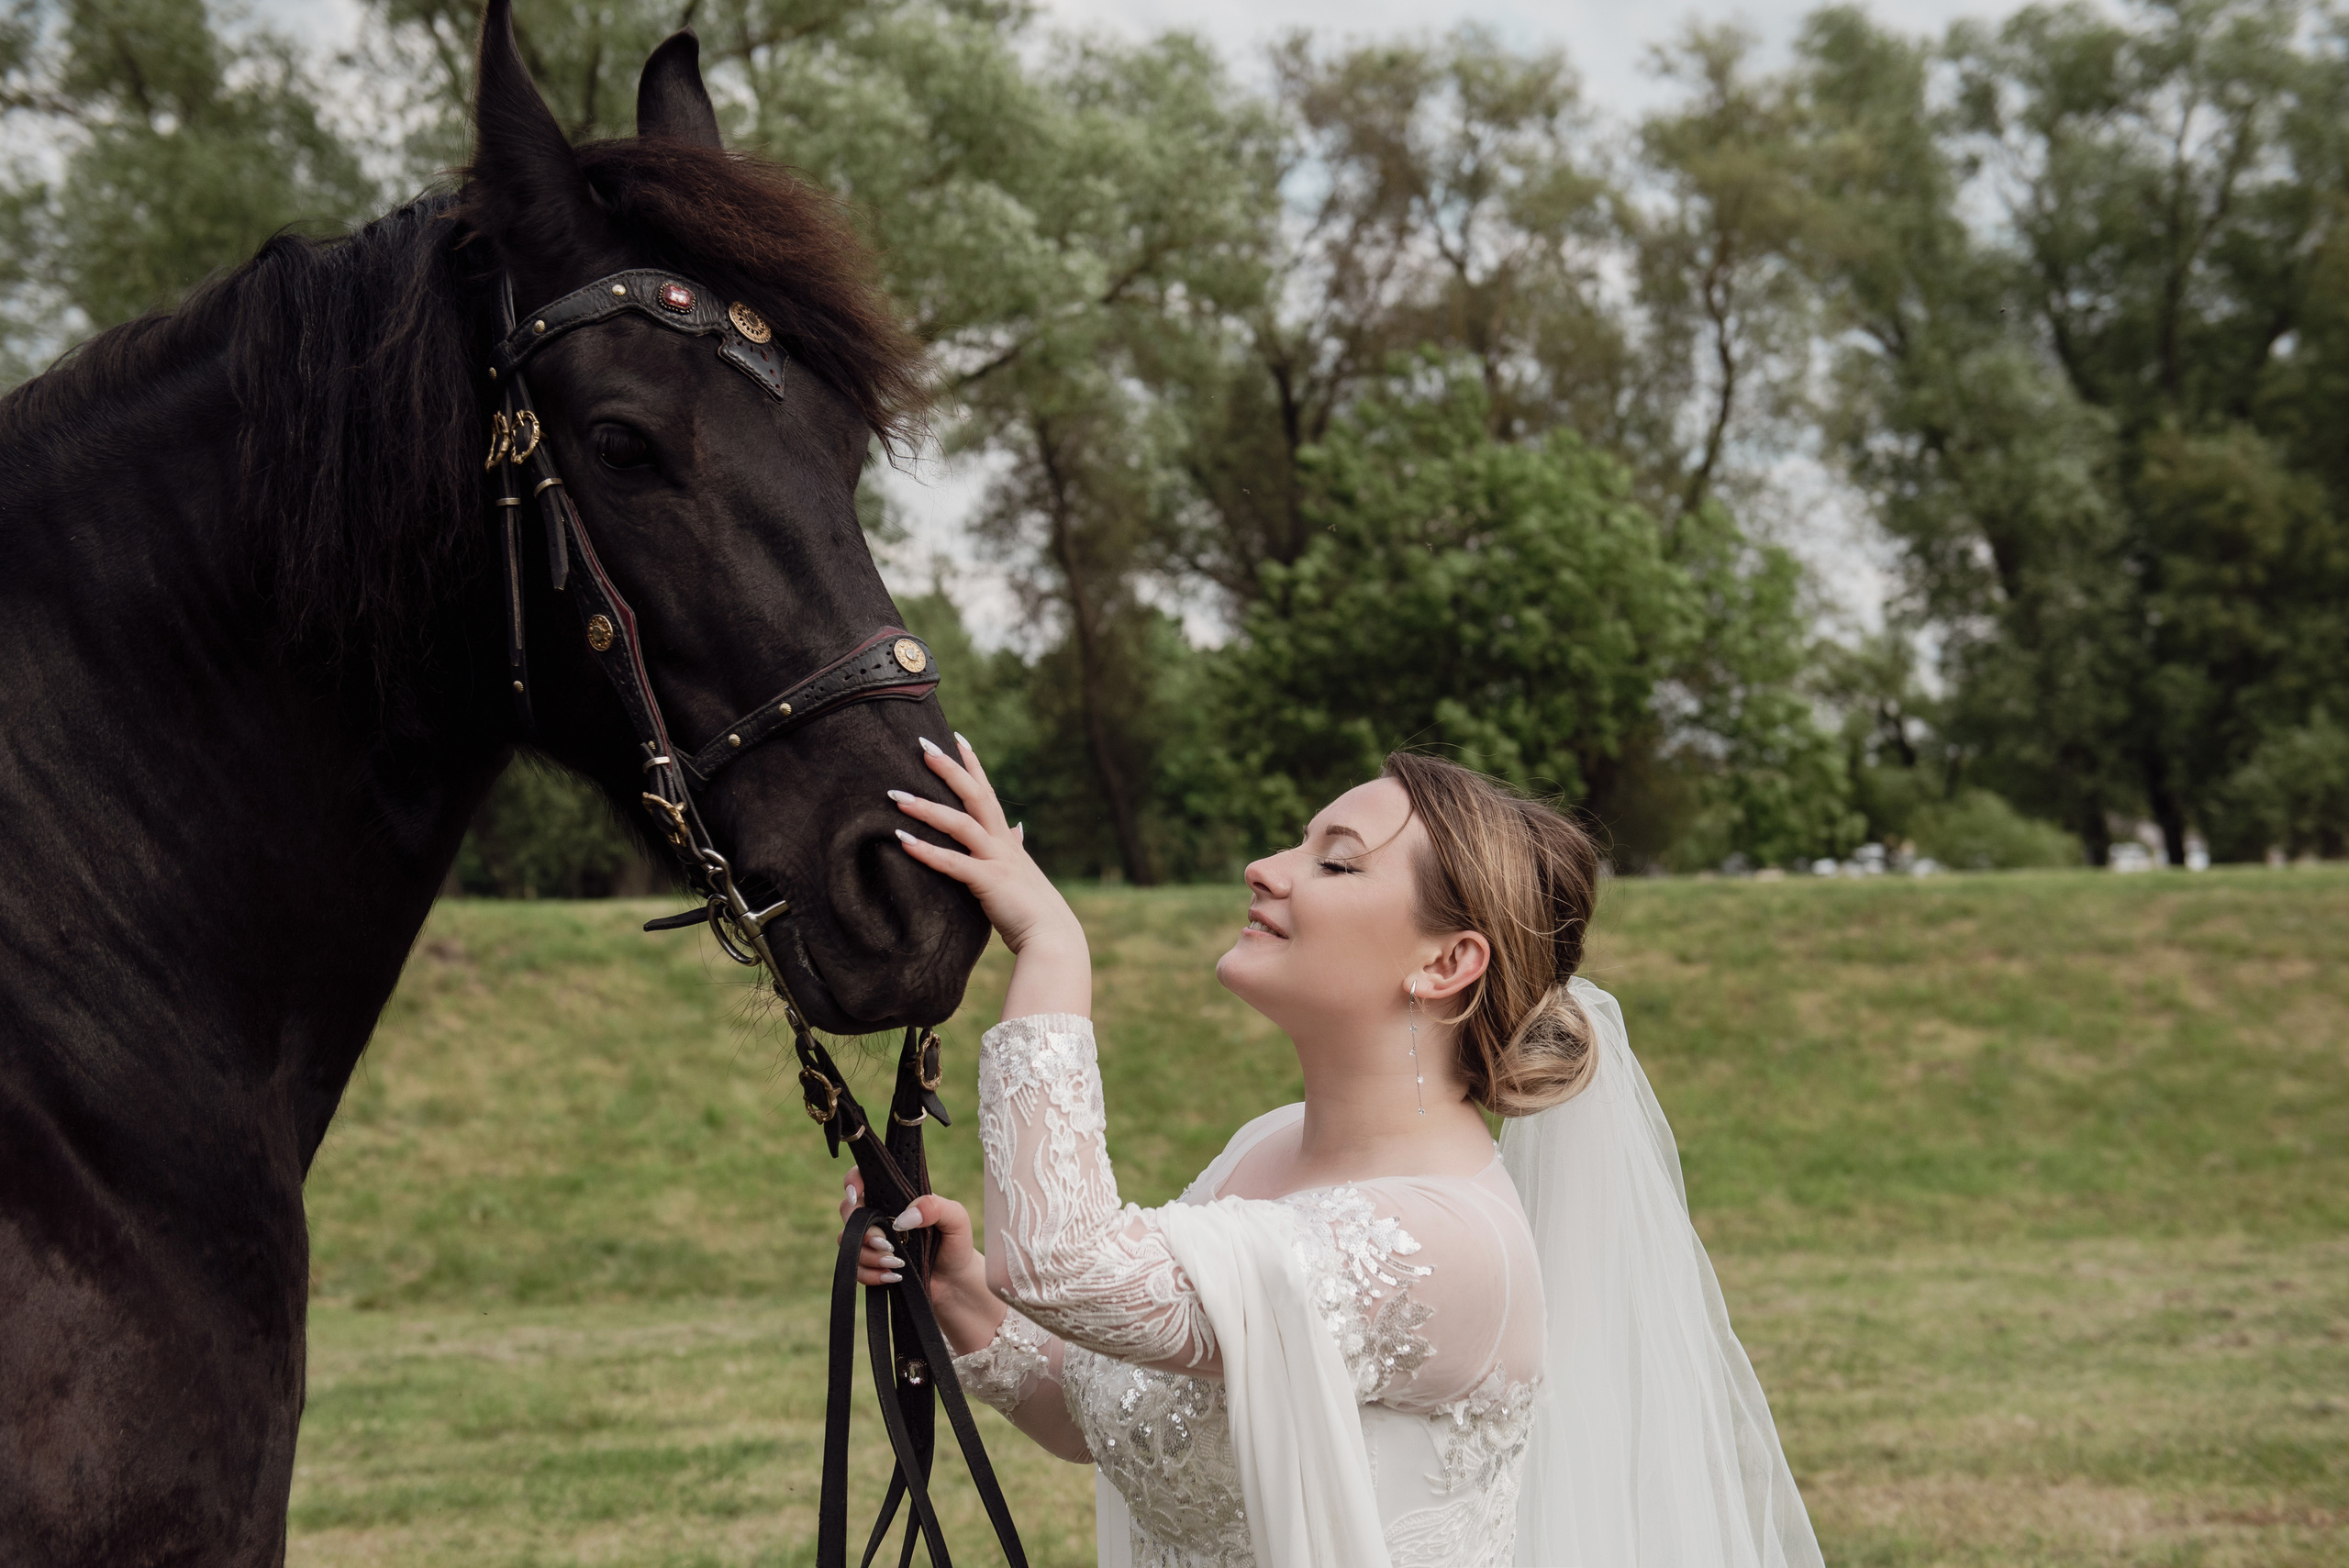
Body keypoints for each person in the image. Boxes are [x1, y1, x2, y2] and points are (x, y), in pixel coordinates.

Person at [843, 737, 1822, 1568]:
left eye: (1335, 860)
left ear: (1446, 963)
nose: (1265, 867)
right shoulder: (1260, 1146)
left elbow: (1063, 1264)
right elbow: (1125, 1419)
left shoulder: (1448, 1243)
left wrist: (1051, 945)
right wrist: (960, 1292)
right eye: (1299, 843)